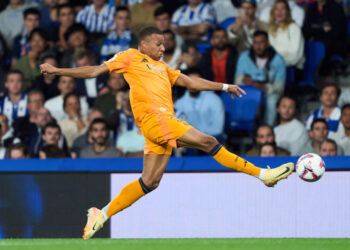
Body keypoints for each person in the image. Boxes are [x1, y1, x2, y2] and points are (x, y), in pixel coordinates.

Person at [40, 26, 294, 240]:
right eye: (159, 44)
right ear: (144, 44)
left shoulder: (163, 68)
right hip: (155, 121)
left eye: (164, 45)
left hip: (160, 126)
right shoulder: (130, 57)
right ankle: (263, 174)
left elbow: (190, 81)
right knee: (209, 141)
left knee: (150, 182)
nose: (163, 49)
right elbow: (94, 70)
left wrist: (224, 86)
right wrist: (58, 70)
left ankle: (101, 213)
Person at [235, 30, 286, 125]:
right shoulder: (244, 57)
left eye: (261, 42)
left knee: (272, 101)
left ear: (268, 43)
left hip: (268, 93)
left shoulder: (278, 60)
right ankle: (243, 128)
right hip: (249, 92)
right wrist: (252, 86)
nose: (258, 46)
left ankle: (268, 128)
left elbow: (280, 87)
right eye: (255, 43)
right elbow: (238, 81)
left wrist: (259, 85)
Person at [175, 67, 225, 139]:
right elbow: (178, 130)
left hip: (212, 140)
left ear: (203, 82)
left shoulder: (214, 100)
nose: (194, 84)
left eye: (197, 81)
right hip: (189, 142)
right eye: (190, 81)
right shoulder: (179, 103)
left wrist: (200, 139)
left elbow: (217, 129)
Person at [267, 0, 304, 69]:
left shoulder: (294, 28)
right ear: (273, 12)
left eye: (282, 8)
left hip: (292, 67)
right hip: (275, 65)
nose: (279, 12)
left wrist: (278, 62)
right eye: (276, 9)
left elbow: (295, 56)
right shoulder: (271, 29)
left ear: (287, 12)